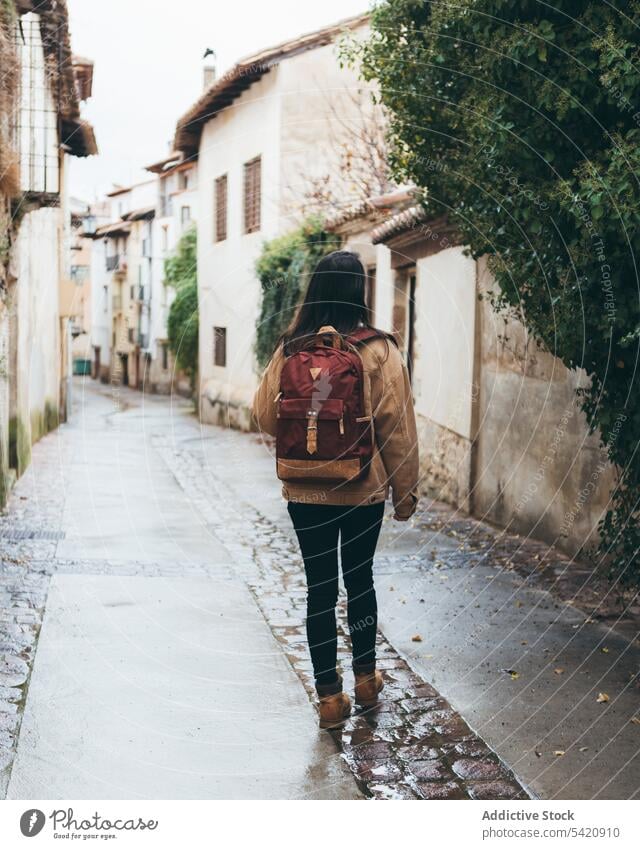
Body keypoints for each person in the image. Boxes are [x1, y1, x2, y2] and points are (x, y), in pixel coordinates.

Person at [252, 250, 419, 729]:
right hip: (362, 489)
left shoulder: (290, 349)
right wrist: (405, 494)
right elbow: (398, 429)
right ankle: (366, 680)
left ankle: (329, 699)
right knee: (360, 582)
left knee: (319, 590)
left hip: (305, 492)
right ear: (360, 292)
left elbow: (262, 414)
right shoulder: (380, 350)